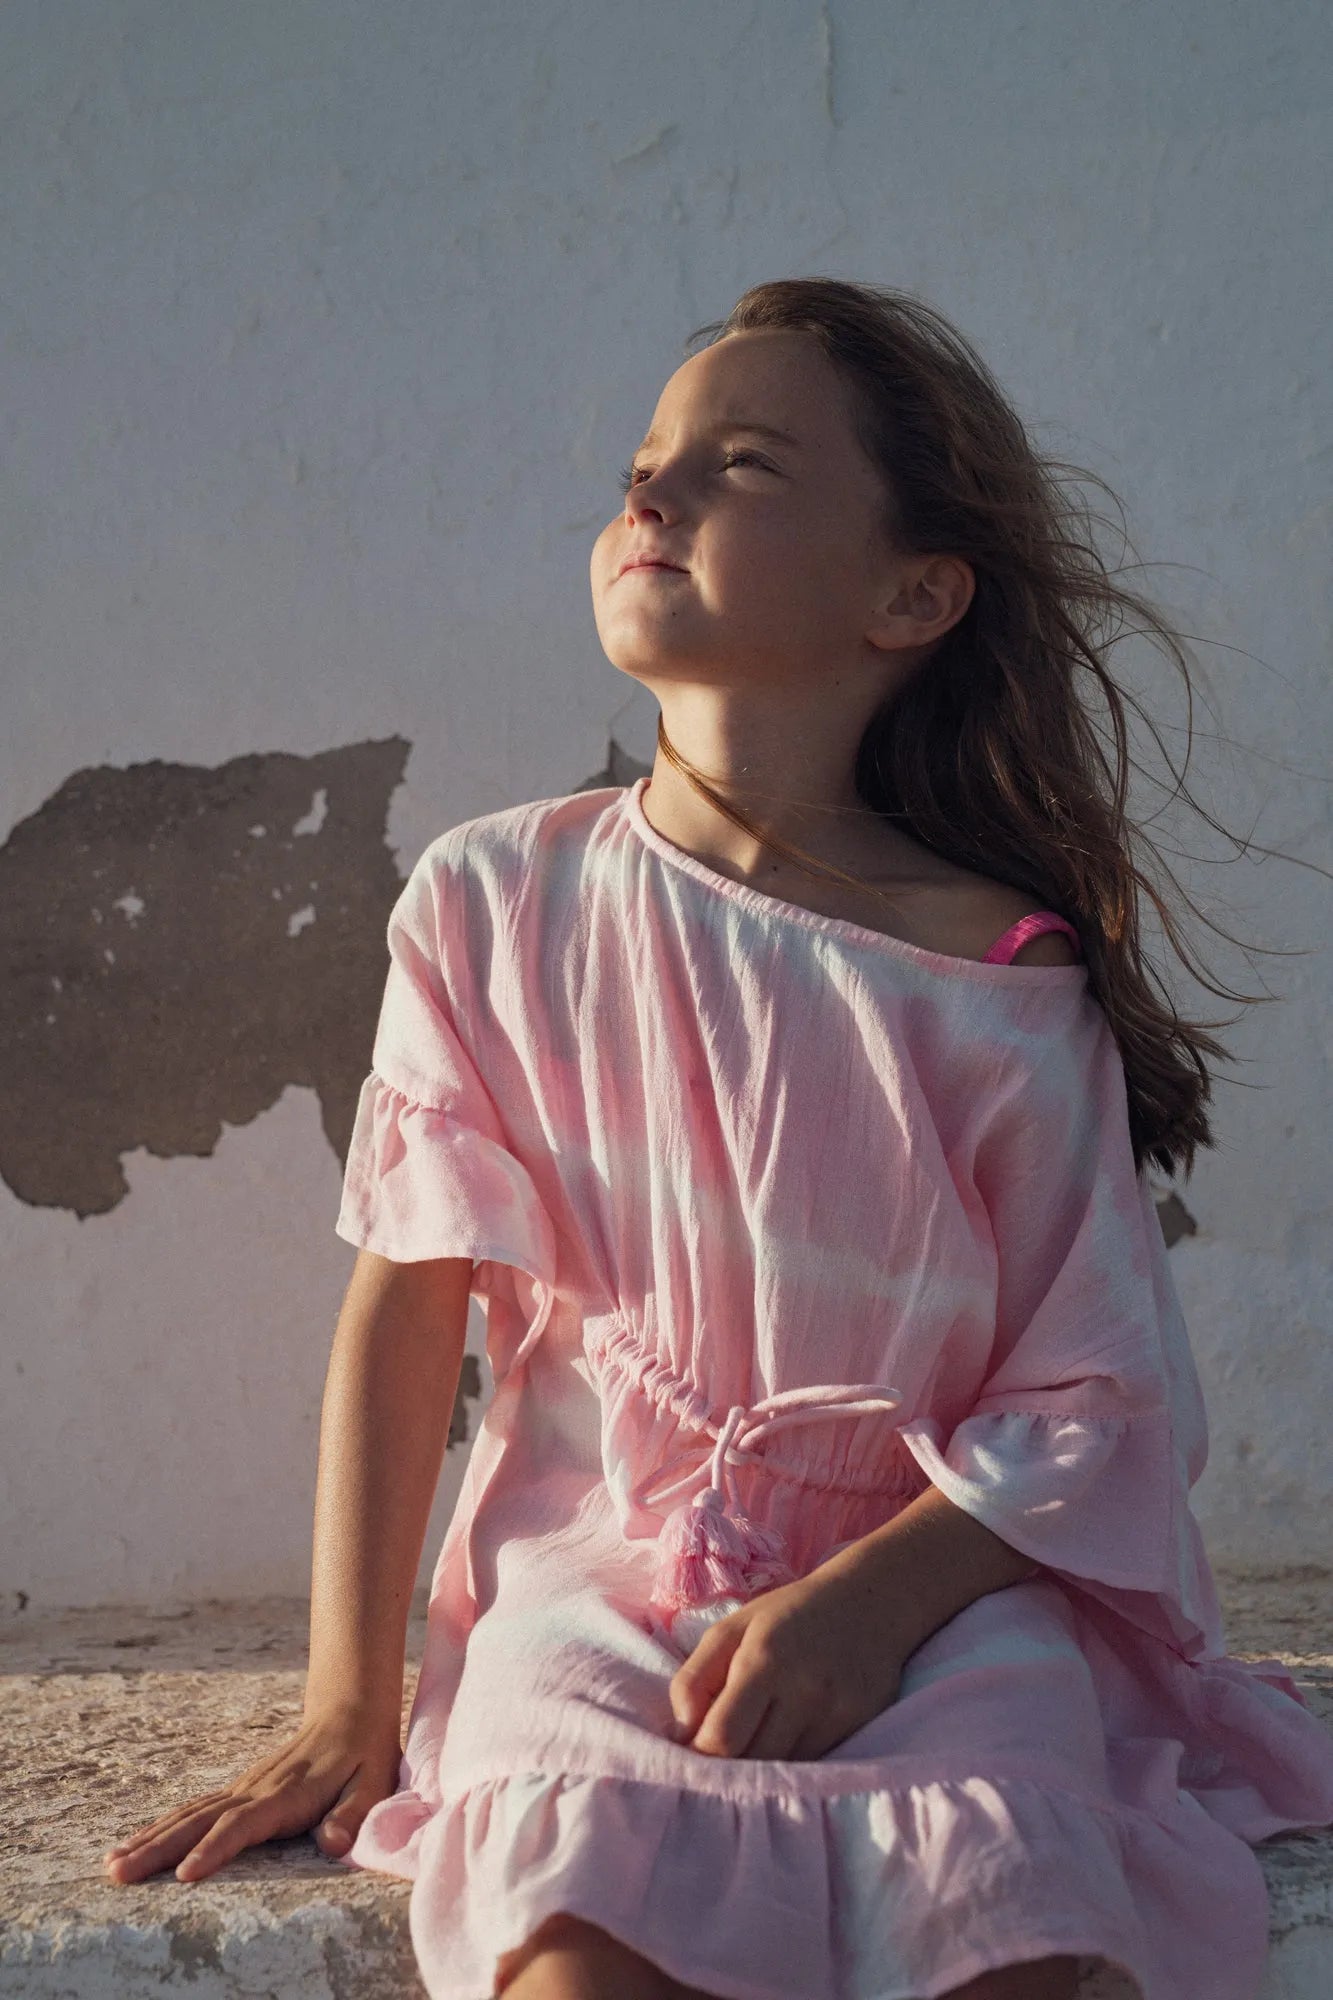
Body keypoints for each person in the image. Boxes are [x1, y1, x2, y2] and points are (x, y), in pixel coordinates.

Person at [103, 277, 1333, 2000]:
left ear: (913, 593)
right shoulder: (489, 900)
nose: (648, 496)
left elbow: (1099, 1403)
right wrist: (346, 1703)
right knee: (577, 1942)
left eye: (739, 464)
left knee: (1019, 1941)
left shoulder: (998, 978)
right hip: (595, 1581)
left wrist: (872, 1607)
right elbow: (405, 1307)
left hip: (949, 1593)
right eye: (643, 461)